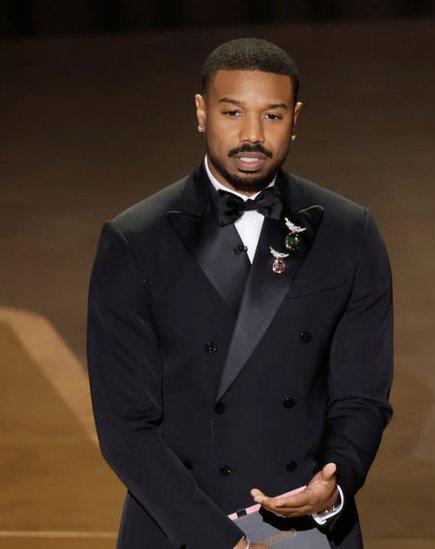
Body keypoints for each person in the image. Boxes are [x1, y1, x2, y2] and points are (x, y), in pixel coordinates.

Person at [87, 37, 393, 548]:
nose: (252, 135)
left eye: (272, 117)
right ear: (202, 112)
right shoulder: (135, 241)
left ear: (295, 118)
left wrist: (334, 487)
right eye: (233, 113)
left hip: (304, 527)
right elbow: (126, 427)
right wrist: (214, 538)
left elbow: (362, 394)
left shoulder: (348, 231)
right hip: (178, 526)